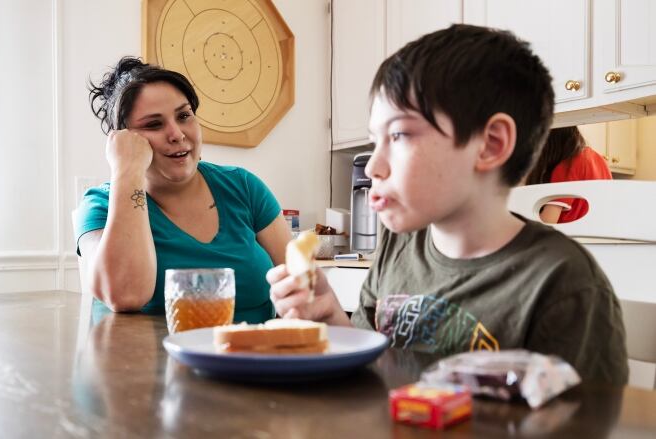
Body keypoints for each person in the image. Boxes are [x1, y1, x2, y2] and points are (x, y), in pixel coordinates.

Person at [267, 24, 628, 384]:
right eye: (376, 141)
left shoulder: (563, 285)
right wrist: (330, 315)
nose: (374, 166)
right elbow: (374, 366)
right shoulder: (399, 246)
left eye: (399, 135)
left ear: (490, 144)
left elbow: (587, 424)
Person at [76, 57, 292, 323]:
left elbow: (299, 289)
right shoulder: (100, 205)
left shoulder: (244, 187)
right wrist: (127, 172)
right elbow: (125, 295)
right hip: (148, 363)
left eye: (184, 116)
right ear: (124, 140)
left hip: (254, 357)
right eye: (154, 124)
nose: (177, 133)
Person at [524, 126, 613, 224]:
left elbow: (547, 222)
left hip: (570, 236)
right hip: (597, 235)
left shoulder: (568, 164)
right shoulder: (599, 159)